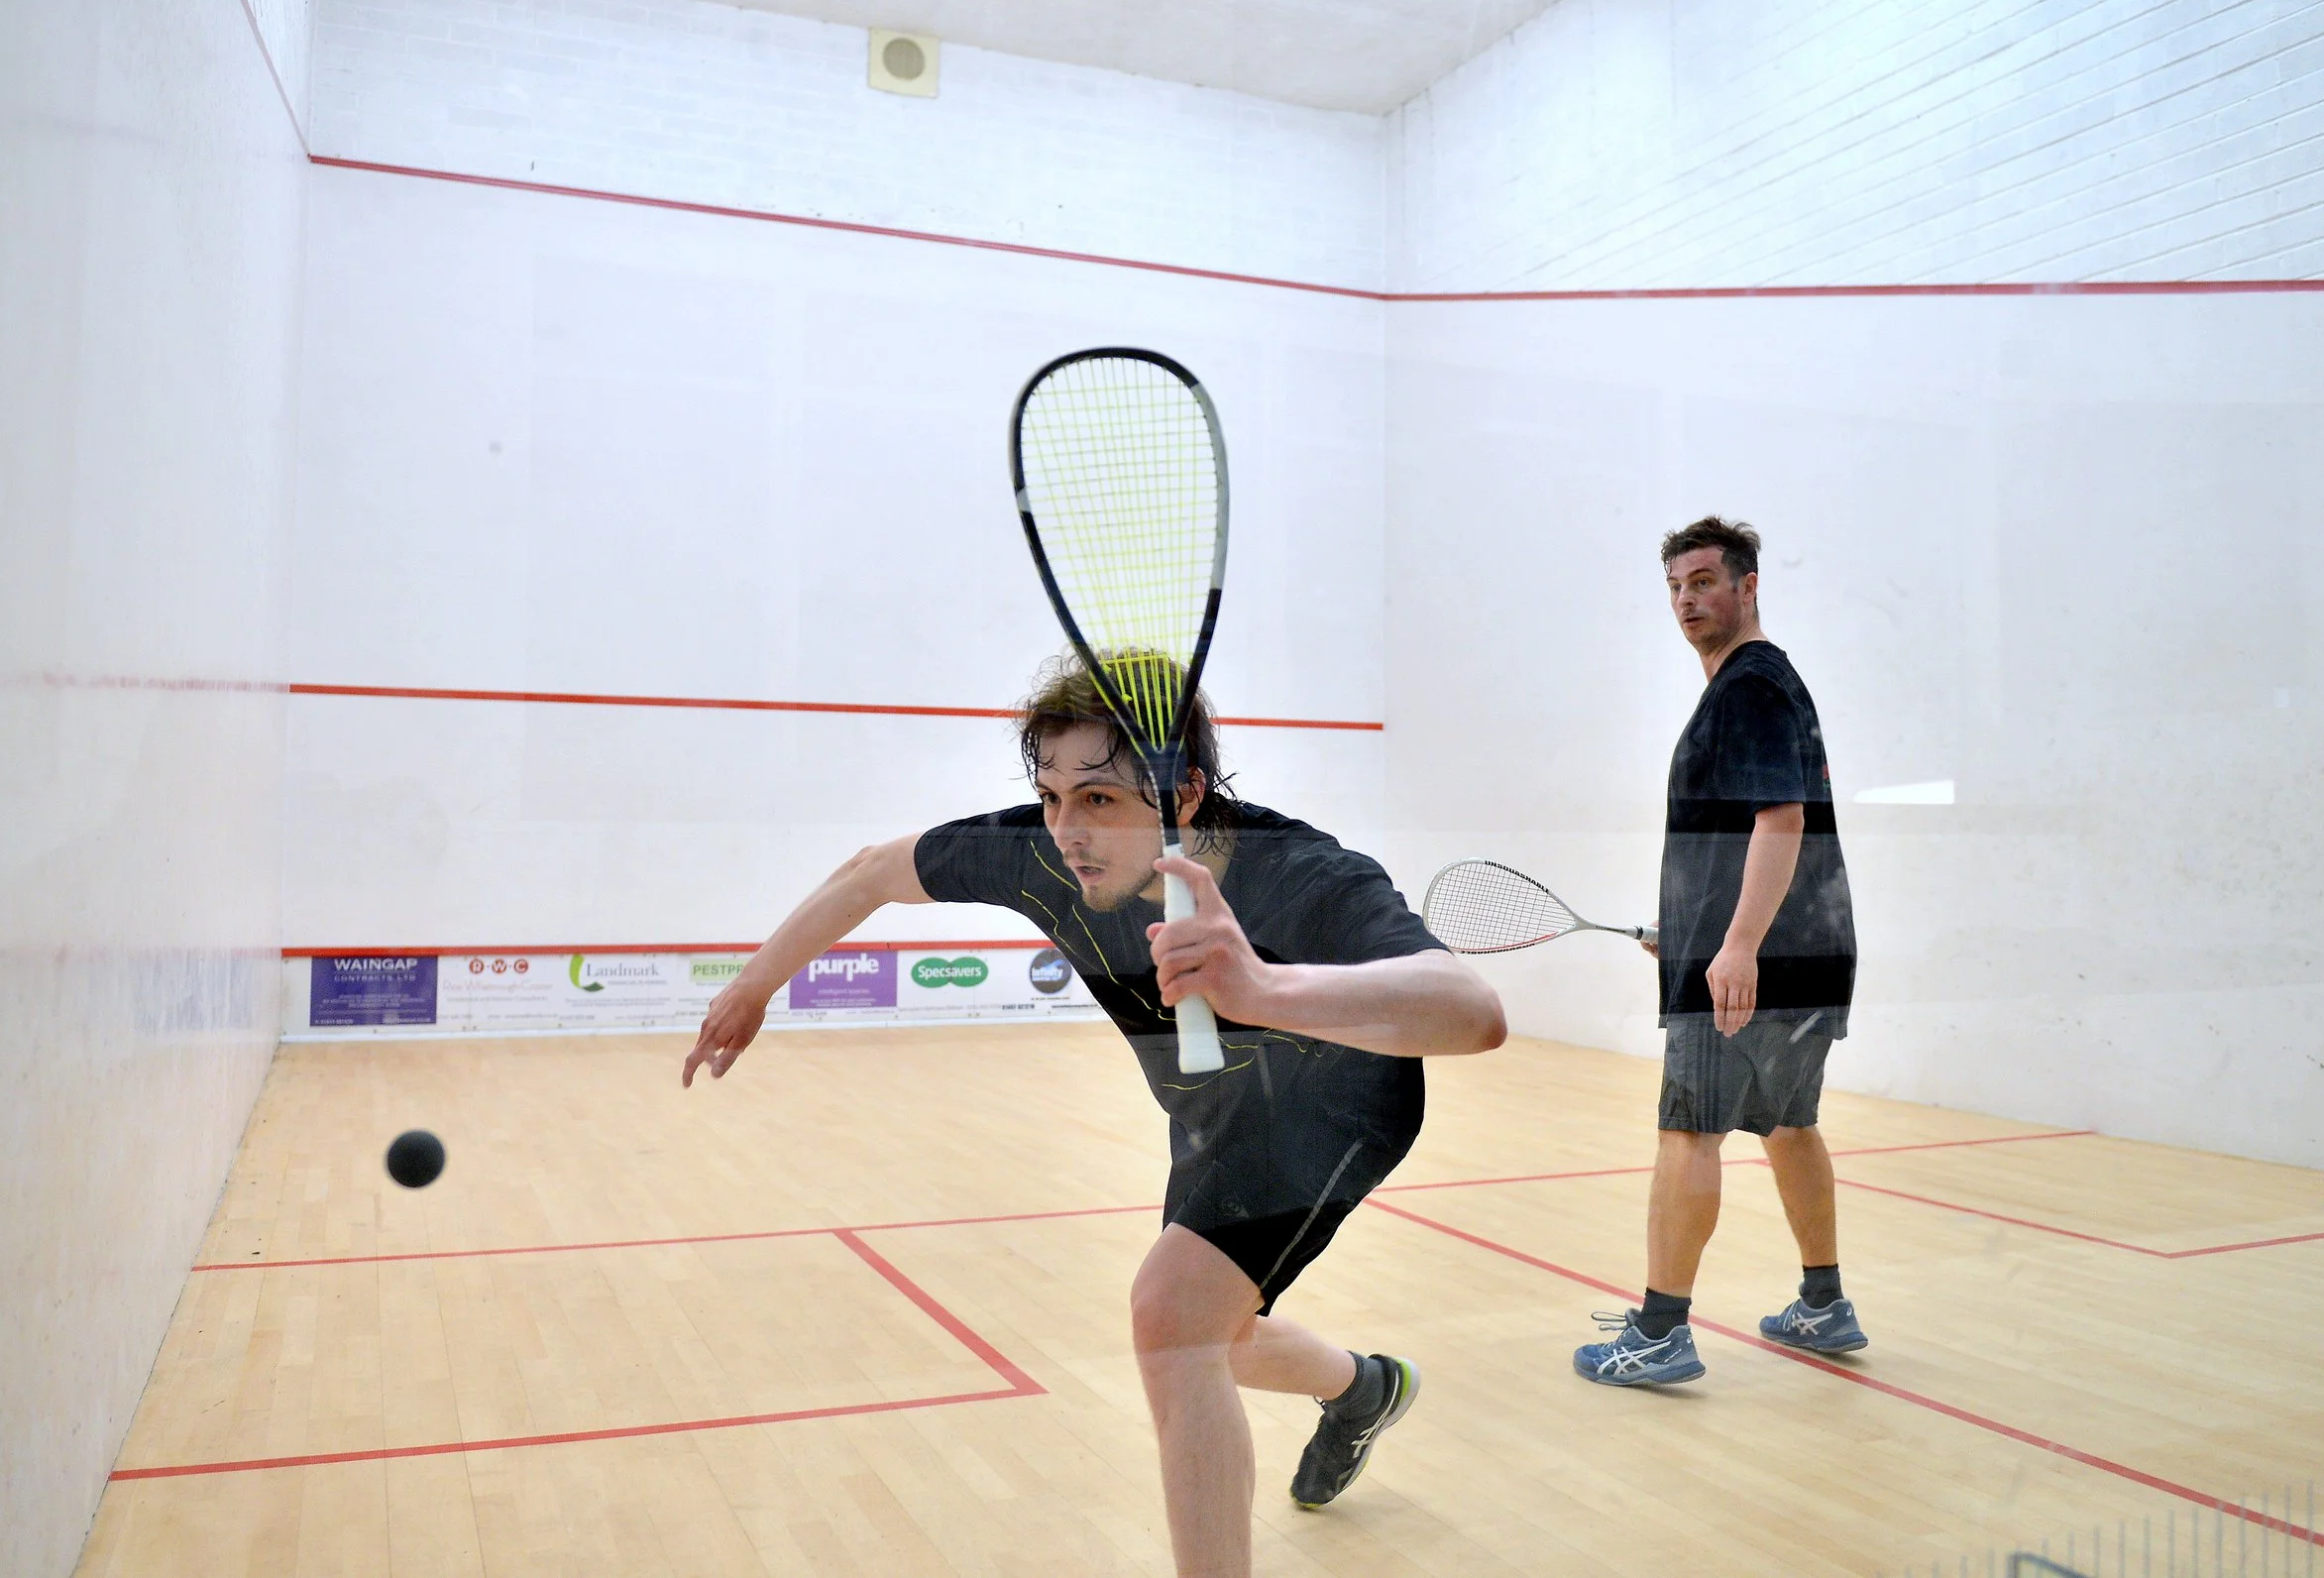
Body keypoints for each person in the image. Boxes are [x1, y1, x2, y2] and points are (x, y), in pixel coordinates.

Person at [684, 652, 1506, 1578]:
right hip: (1212, 1113)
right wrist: (753, 985)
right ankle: (1363, 1389)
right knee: (1219, 1335)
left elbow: (1473, 1011)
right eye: (1050, 796)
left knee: (1174, 1315)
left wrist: (1264, 987)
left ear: (1184, 794)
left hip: (1339, 1095)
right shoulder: (1041, 853)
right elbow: (872, 871)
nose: (1068, 831)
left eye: (1101, 799)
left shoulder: (1304, 874)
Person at [1574, 516, 1865, 1388]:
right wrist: (1699, 931)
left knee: (1688, 1129)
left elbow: (1782, 818)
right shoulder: (1758, 685)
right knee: (1789, 1123)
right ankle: (1824, 1303)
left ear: (1748, 586)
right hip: (1804, 954)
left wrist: (1736, 945)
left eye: (1703, 581)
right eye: (1675, 586)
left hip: (1757, 965)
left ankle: (1660, 1332)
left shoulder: (1750, 685)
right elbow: (1747, 832)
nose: (1686, 599)